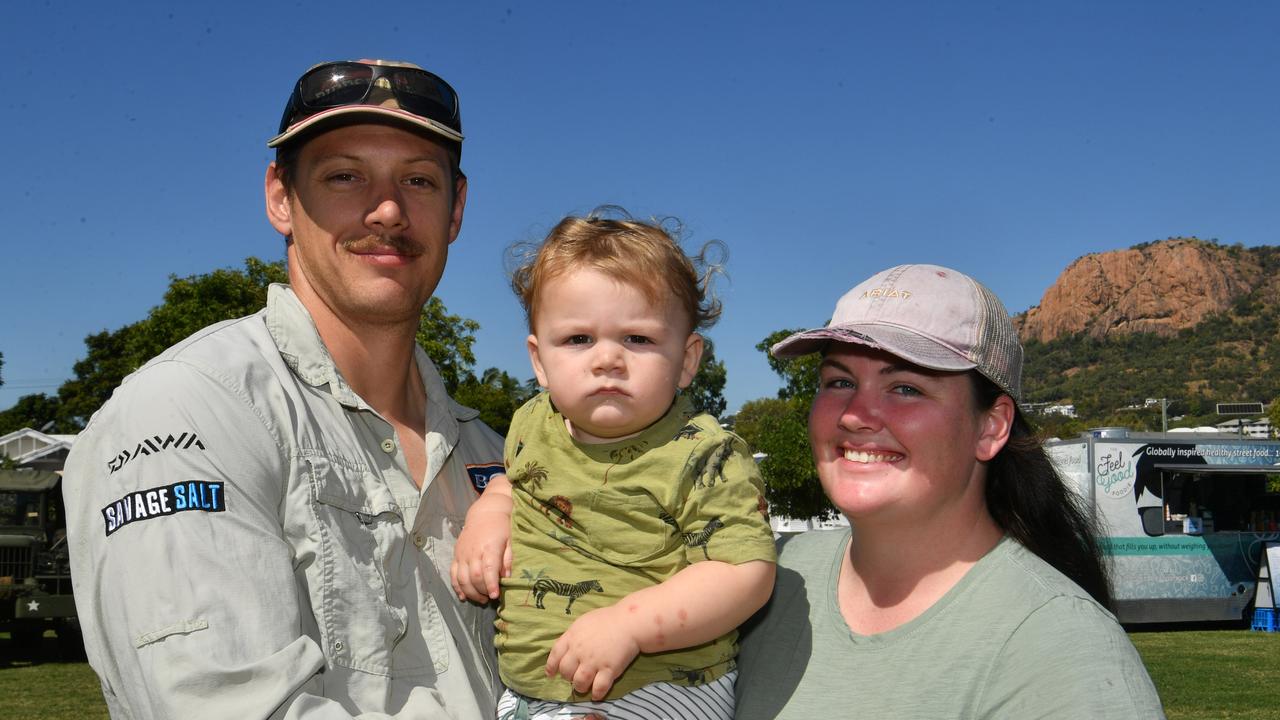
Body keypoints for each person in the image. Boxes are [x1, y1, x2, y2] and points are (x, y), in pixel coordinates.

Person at [63, 60, 505, 719]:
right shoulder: (189, 410)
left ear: (456, 210)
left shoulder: (492, 456)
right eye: (344, 176)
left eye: (418, 179)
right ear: (280, 197)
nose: (387, 210)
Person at [735, 264, 1165, 719]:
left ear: (991, 426)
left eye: (905, 388)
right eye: (839, 382)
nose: (855, 415)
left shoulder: (1063, 652)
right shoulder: (760, 575)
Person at [449, 213, 777, 720]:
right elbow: (514, 486)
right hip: (529, 690)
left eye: (638, 340)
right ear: (539, 361)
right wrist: (488, 515)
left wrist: (630, 624)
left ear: (687, 359)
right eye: (578, 339)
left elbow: (744, 571)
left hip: (660, 684)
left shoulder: (704, 454)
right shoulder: (532, 423)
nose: (607, 359)